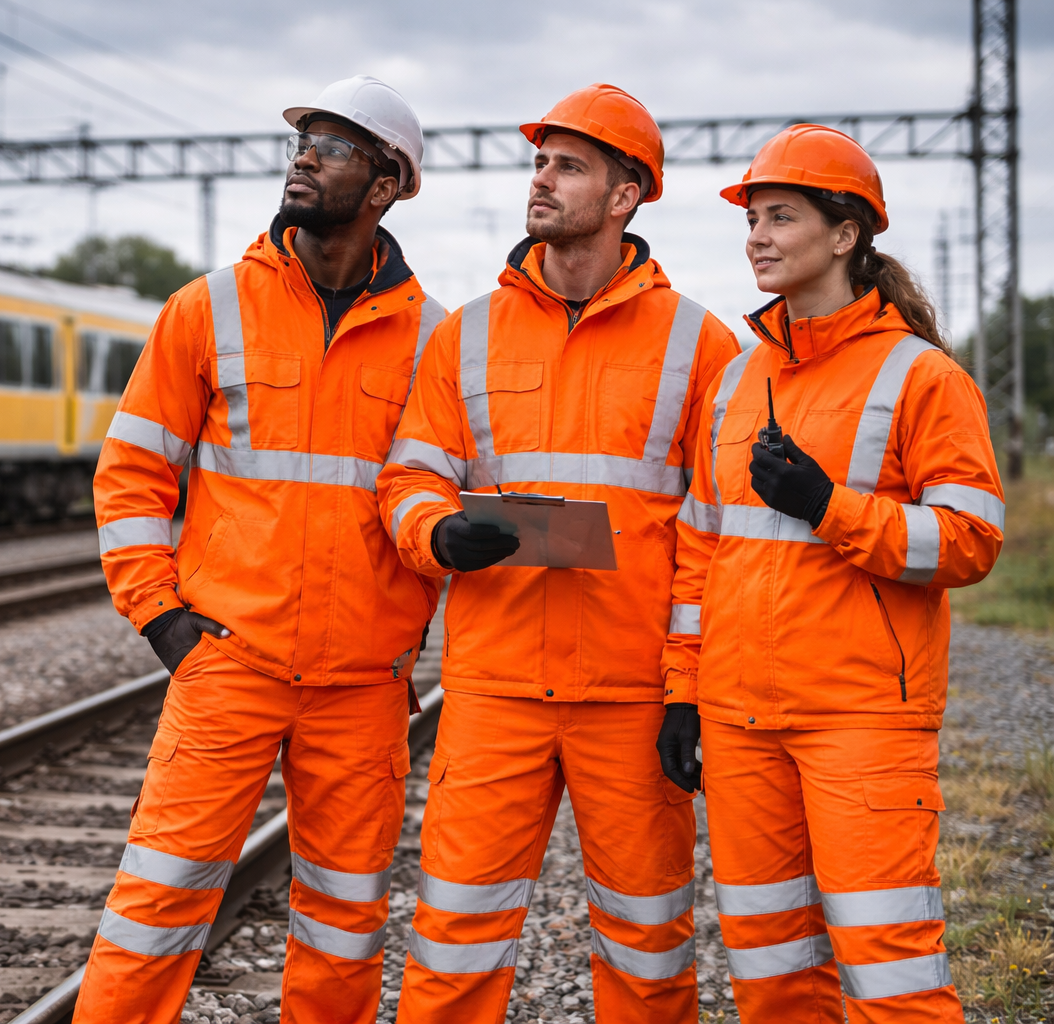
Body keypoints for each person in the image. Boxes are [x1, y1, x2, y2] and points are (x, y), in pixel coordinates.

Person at [75, 75, 446, 1024]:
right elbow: (131, 478)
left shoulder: (434, 342)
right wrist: (161, 619)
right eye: (302, 143)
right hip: (227, 664)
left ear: (387, 183)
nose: (303, 159)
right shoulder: (207, 310)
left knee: (344, 919)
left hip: (365, 682)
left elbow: (433, 499)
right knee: (157, 902)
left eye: (332, 147)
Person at [377, 83, 740, 1022]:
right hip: (493, 687)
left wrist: (690, 691)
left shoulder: (701, 346)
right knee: (454, 935)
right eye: (539, 161)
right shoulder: (467, 336)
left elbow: (720, 540)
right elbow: (408, 476)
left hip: (630, 694)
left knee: (649, 943)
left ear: (626, 195)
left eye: (567, 165)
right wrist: (437, 533)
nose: (541, 178)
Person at [675, 124, 1004, 1022]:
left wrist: (831, 507)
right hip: (740, 721)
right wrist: (682, 694)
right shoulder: (737, 382)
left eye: (782, 216)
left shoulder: (922, 377)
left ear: (847, 233)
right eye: (753, 220)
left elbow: (971, 540)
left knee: (889, 970)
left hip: (862, 719)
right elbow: (698, 550)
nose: (759, 237)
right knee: (770, 964)